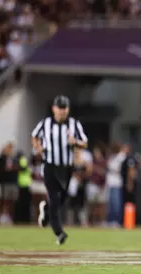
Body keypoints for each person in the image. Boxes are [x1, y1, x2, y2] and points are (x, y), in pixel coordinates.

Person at [31, 95, 88, 245]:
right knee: (55, 198)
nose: (62, 111)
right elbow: (34, 136)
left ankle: (46, 211)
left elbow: (85, 143)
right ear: (54, 109)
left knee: (63, 198)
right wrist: (38, 148)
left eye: (65, 108)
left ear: (68, 110)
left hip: (67, 168)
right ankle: (59, 232)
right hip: (49, 165)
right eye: (60, 108)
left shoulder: (74, 124)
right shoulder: (46, 123)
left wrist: (75, 142)